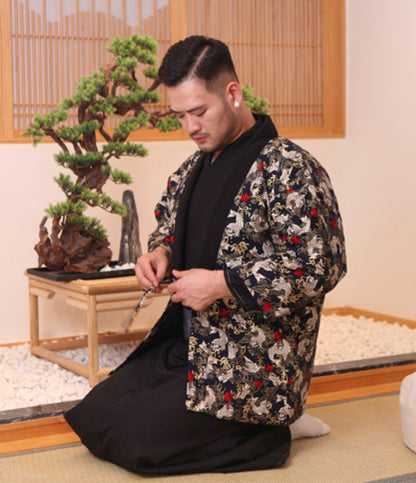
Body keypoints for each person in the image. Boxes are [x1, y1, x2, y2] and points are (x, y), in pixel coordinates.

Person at [65, 35, 347, 475]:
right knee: (96, 414)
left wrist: (221, 284)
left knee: (136, 441)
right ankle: (246, 424)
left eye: (199, 112)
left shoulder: (290, 168)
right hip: (192, 342)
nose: (191, 126)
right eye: (180, 116)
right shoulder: (192, 167)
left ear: (232, 93)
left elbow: (320, 267)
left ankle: (273, 428)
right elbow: (168, 229)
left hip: (252, 360)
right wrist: (157, 253)